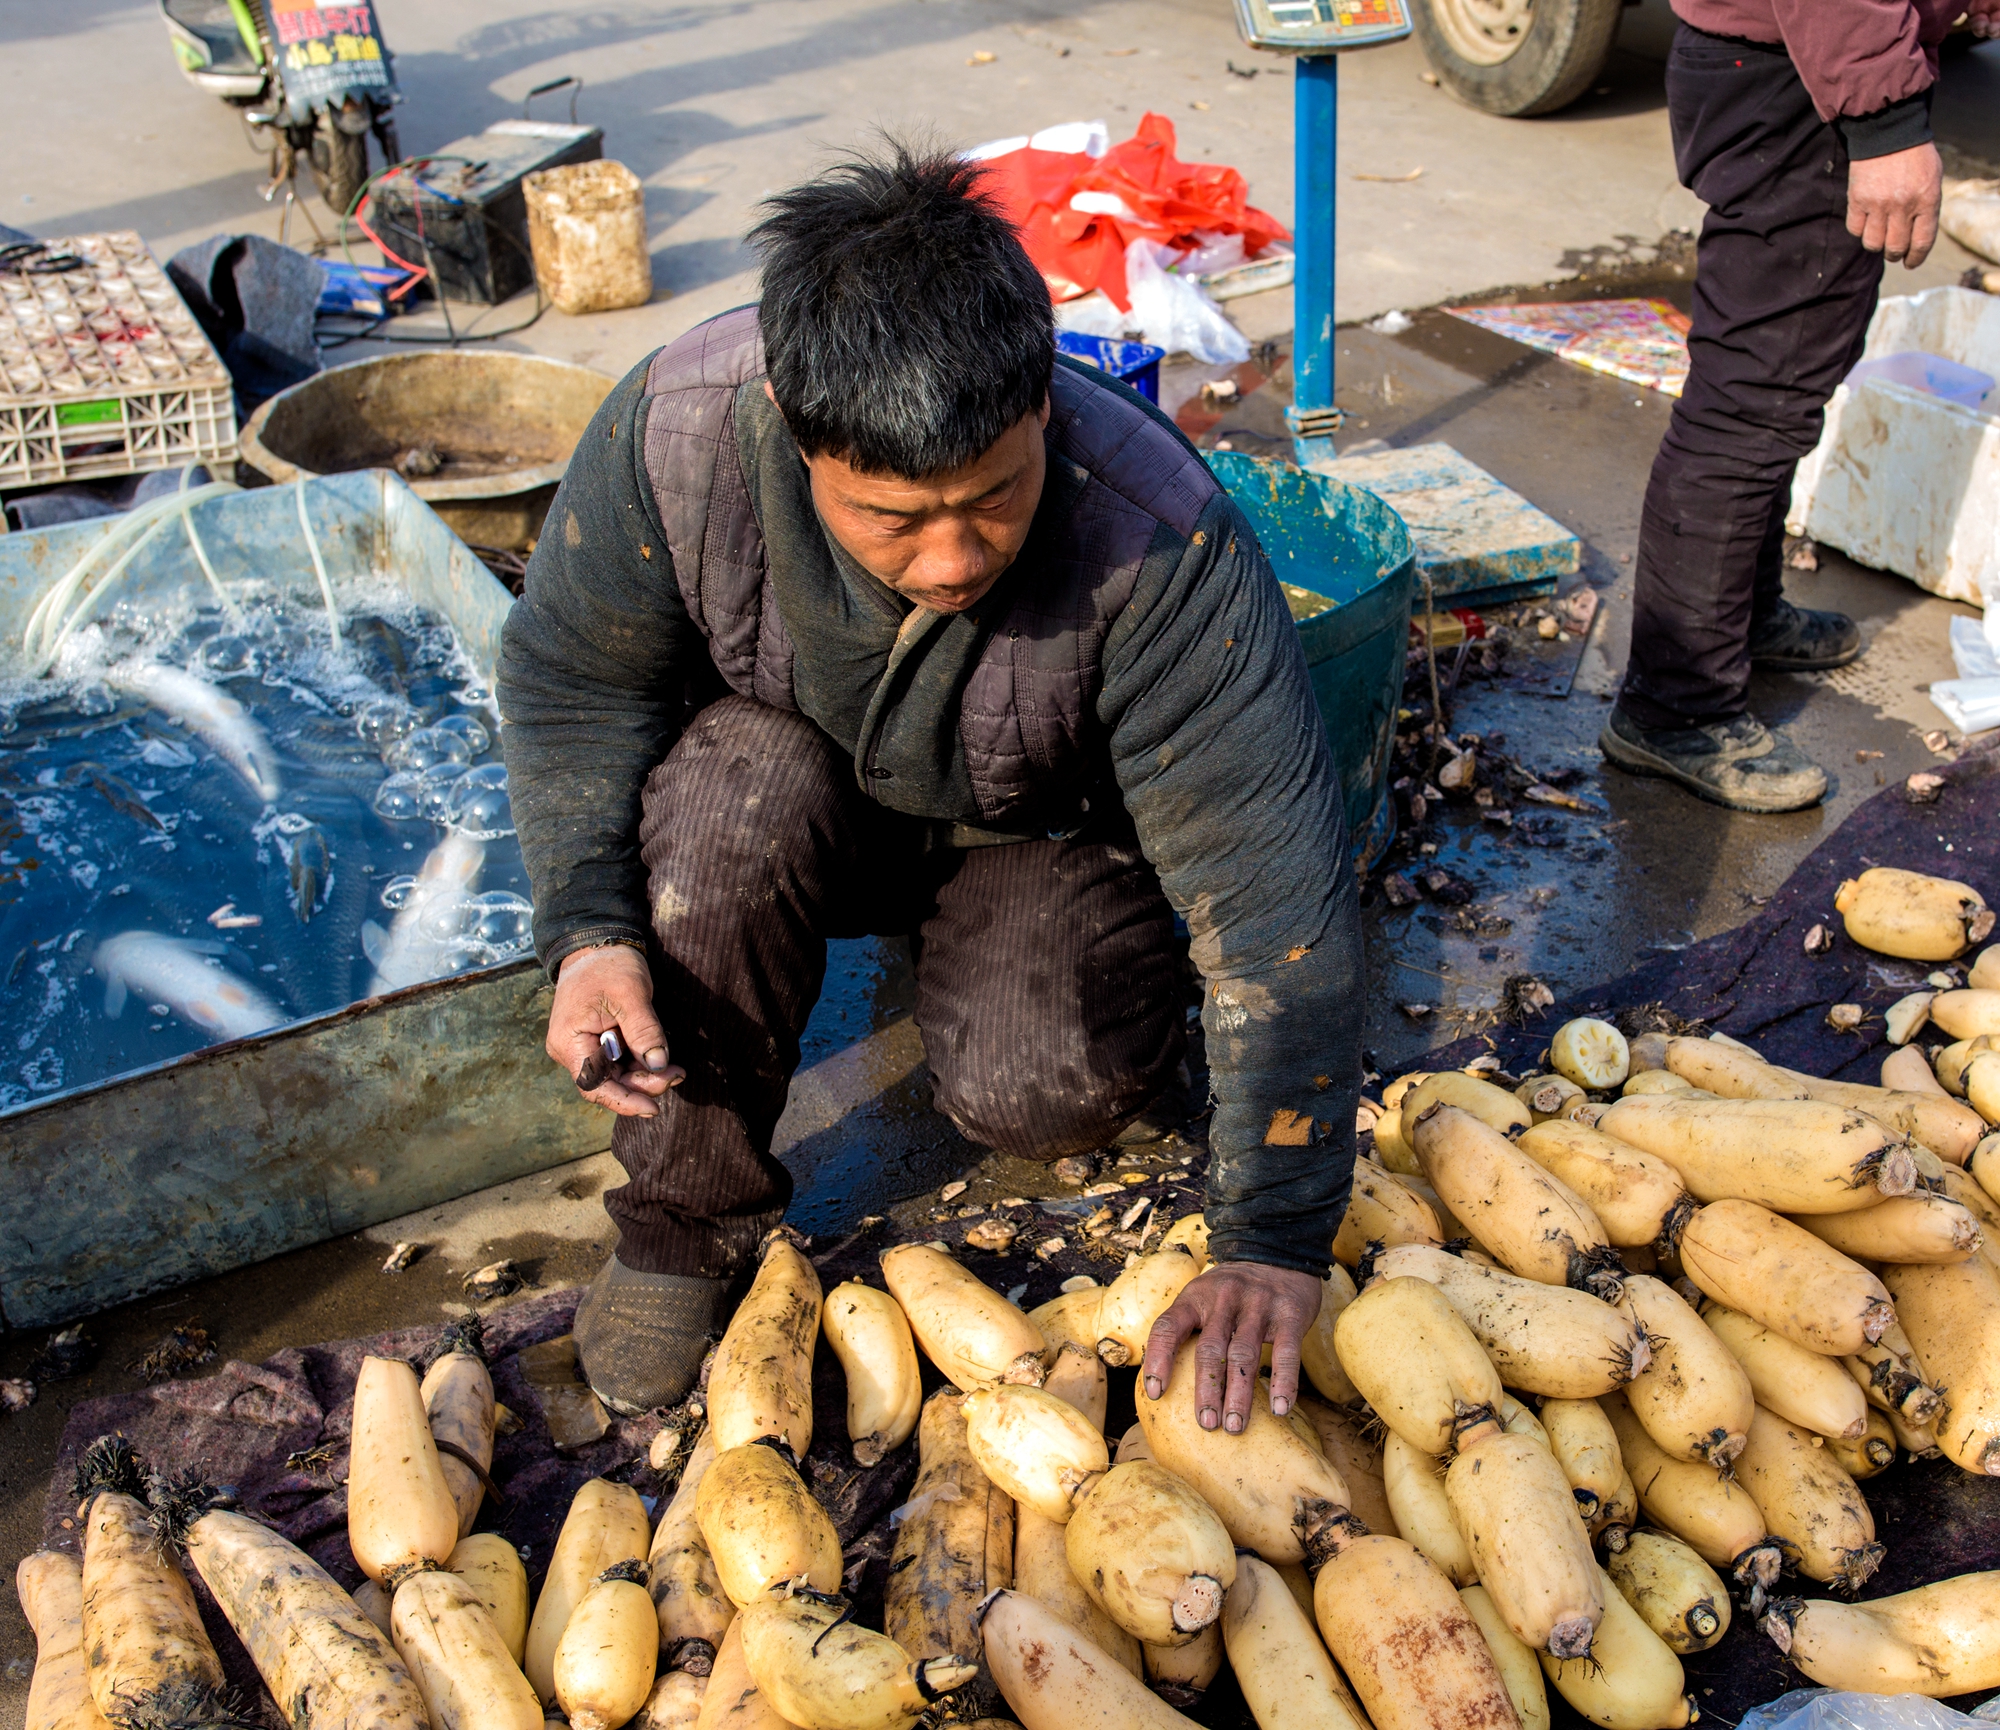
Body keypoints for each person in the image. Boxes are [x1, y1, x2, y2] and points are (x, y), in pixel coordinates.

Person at [497, 146, 1362, 1435]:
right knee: (727, 795)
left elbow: (1274, 906)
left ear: (1041, 405)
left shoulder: (1158, 535)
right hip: (787, 788)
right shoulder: (677, 433)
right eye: (892, 518)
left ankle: (1081, 1002)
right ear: (793, 427)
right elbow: (573, 682)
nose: (953, 558)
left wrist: (1274, 1232)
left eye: (994, 497)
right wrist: (587, 931)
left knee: (1039, 1088)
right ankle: (682, 1223)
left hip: (1037, 827)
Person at [1601, 0, 2000, 812]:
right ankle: (1676, 706)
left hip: (1804, 66)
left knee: (1787, 377)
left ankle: (1741, 620)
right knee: (1751, 400)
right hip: (1803, 77)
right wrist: (1885, 119)